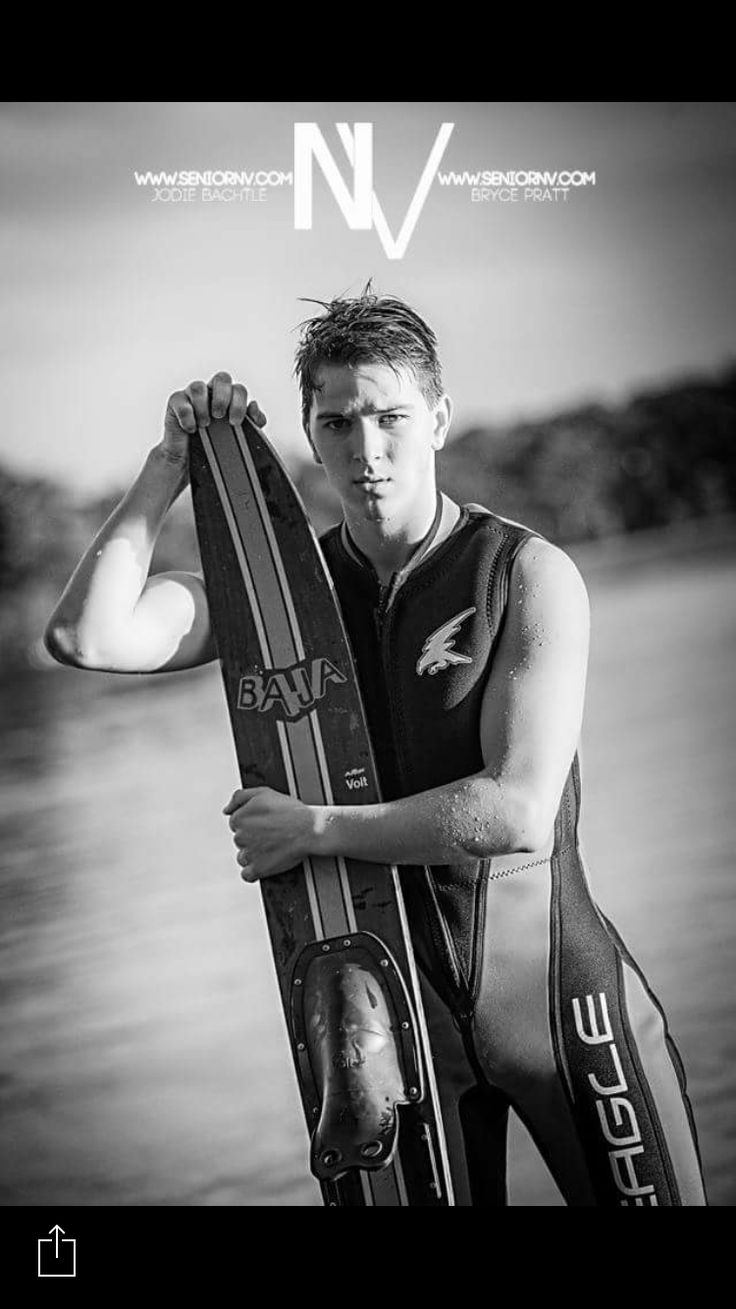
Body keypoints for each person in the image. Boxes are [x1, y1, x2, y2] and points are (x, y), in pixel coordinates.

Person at [45, 289, 707, 1207]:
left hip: (562, 1007)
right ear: (312, 437)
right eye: (339, 422)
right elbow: (89, 637)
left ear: (438, 414)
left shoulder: (525, 574)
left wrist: (313, 828)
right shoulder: (281, 610)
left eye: (391, 416)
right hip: (394, 1040)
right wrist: (167, 468)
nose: (368, 449)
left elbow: (515, 813)